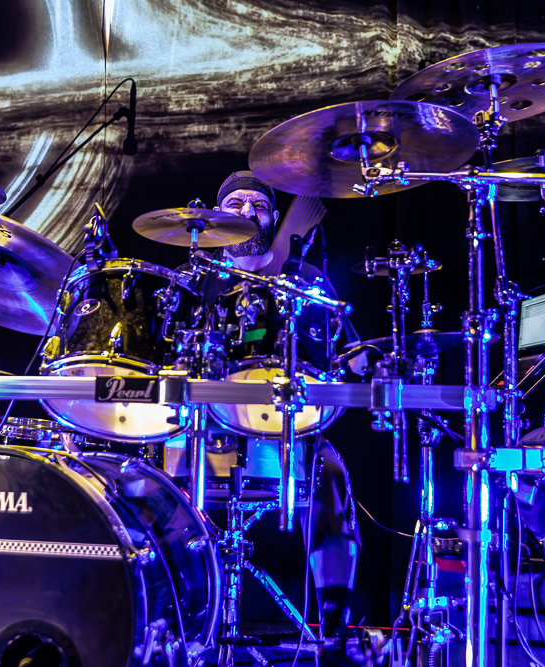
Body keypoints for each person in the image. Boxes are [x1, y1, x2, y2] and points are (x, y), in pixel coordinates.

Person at [201, 170, 363, 645]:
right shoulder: (199, 282)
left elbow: (349, 352)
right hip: (208, 426)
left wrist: (375, 359)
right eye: (235, 204)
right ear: (215, 215)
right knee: (152, 483)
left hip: (290, 425)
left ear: (274, 217)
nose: (247, 212)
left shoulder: (306, 280)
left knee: (332, 480)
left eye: (258, 205)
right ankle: (173, 610)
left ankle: (334, 628)